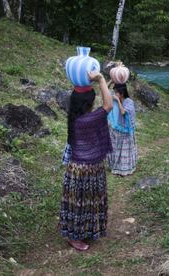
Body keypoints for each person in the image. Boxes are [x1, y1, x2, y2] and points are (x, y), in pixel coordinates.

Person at [58, 71, 113, 251]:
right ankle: (74, 238)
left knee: (78, 204)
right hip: (87, 170)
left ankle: (79, 231)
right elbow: (108, 105)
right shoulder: (88, 120)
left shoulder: (74, 117)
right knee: (84, 203)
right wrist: (101, 79)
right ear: (87, 104)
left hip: (77, 169)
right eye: (91, 101)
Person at [107, 83, 138, 176]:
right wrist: (112, 80)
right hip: (118, 127)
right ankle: (114, 165)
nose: (115, 93)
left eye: (116, 92)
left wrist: (118, 101)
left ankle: (124, 169)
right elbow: (106, 90)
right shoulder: (116, 99)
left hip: (126, 130)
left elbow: (124, 112)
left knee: (123, 149)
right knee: (114, 147)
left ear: (122, 93)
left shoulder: (129, 101)